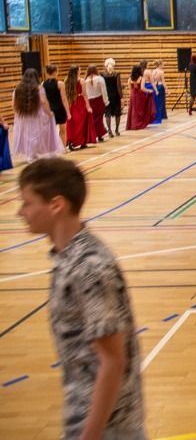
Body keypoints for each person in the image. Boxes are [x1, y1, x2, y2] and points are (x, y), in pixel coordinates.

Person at [17, 158, 146, 440]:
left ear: (56, 205)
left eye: (27, 203)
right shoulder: (67, 258)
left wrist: (89, 435)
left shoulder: (89, 267)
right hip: (89, 420)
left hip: (108, 428)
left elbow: (113, 360)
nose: (20, 212)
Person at [11, 69, 63, 163]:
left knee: (27, 134)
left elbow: (14, 105)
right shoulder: (39, 88)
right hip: (37, 114)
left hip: (23, 115)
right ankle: (32, 154)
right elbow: (43, 101)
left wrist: (17, 115)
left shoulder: (18, 89)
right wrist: (49, 113)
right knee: (37, 134)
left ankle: (31, 154)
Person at [65, 65, 98, 150]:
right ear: (76, 71)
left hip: (70, 103)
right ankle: (81, 141)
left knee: (72, 123)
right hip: (79, 102)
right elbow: (84, 94)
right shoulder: (81, 80)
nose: (80, 71)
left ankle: (71, 140)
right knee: (81, 123)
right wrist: (88, 106)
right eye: (79, 70)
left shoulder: (66, 80)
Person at [42, 63, 70, 146]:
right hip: (59, 109)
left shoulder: (43, 84)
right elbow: (64, 99)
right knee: (63, 130)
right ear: (55, 72)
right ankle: (63, 147)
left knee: (51, 131)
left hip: (49, 109)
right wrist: (68, 112)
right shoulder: (60, 83)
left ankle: (52, 147)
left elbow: (43, 99)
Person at [83, 64, 109, 142]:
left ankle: (92, 134)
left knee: (92, 119)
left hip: (89, 101)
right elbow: (104, 91)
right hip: (99, 100)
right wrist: (106, 101)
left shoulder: (85, 80)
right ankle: (99, 134)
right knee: (99, 119)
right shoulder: (100, 79)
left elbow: (84, 93)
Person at [126, 63, 156, 131]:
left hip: (133, 94)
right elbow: (142, 88)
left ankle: (133, 123)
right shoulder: (141, 78)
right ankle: (139, 123)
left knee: (134, 109)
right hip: (139, 94)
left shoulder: (129, 79)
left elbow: (130, 89)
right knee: (140, 109)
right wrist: (149, 91)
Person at [102, 58, 123, 137]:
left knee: (108, 113)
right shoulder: (116, 74)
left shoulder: (102, 75)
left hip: (107, 96)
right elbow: (118, 86)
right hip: (115, 96)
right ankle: (117, 130)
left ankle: (109, 130)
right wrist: (121, 97)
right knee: (117, 113)